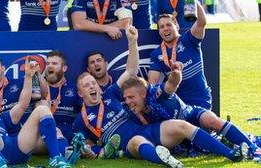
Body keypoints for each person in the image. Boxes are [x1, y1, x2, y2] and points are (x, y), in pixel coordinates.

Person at [74, 27, 245, 167]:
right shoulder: (80, 119)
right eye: (87, 85)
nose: (92, 86)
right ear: (81, 93)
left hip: (149, 129)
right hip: (130, 144)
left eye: (93, 83)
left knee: (182, 126)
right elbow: (86, 145)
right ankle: (170, 162)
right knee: (138, 141)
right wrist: (93, 152)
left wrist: (132, 41)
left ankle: (230, 153)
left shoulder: (110, 93)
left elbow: (131, 71)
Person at [121, 61, 260, 159]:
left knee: (212, 120)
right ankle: (230, 152)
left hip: (190, 114)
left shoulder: (156, 92)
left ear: (143, 94)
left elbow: (172, 84)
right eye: (125, 98)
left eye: (130, 97)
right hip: (179, 134)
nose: (128, 102)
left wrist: (176, 72)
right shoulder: (131, 112)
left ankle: (254, 148)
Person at [148, 0, 214, 110]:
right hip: (178, 105)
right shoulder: (156, 54)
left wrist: (194, 0)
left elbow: (202, 22)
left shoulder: (189, 39)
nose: (165, 29)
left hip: (201, 100)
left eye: (168, 25)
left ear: (177, 26)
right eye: (161, 27)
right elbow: (152, 84)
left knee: (205, 126)